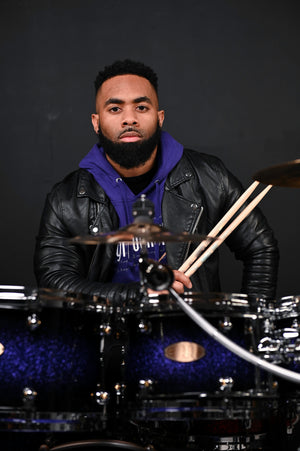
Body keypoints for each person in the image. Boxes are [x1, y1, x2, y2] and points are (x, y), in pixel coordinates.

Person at [34, 59, 279, 304]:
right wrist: (138, 294)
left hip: (188, 335)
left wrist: (253, 328)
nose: (129, 119)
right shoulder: (66, 200)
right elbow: (54, 281)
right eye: (115, 109)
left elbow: (261, 247)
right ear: (96, 122)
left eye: (141, 107)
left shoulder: (210, 177)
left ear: (160, 117)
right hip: (106, 337)